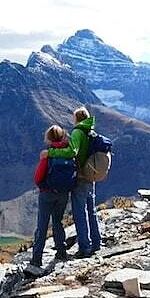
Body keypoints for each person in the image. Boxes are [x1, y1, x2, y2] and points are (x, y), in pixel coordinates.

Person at [49, 107, 103, 258]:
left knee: (79, 213)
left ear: (77, 118)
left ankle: (84, 247)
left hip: (81, 176)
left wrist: (51, 152)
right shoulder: (91, 131)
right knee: (91, 211)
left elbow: (72, 152)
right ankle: (96, 243)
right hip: (91, 175)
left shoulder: (78, 132)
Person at [30, 125, 73, 267]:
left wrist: (43, 186)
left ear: (49, 138)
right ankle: (61, 252)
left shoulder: (48, 154)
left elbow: (38, 178)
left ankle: (36, 259)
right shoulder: (69, 152)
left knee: (42, 226)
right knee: (57, 222)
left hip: (47, 193)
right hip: (63, 193)